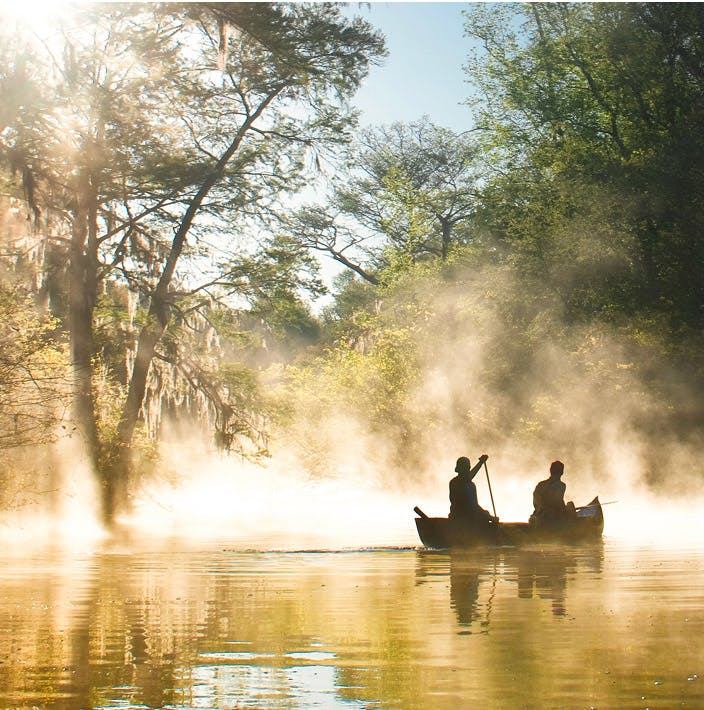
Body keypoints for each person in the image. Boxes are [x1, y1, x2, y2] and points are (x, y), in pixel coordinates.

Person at [449, 454, 498, 525]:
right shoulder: (457, 483)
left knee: (485, 514)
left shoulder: (456, 482)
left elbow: (475, 506)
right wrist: (489, 517)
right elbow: (473, 507)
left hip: (459, 516)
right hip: (463, 517)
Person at [529, 460, 577, 527]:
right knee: (570, 505)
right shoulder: (561, 485)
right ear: (562, 472)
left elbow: (536, 502)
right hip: (551, 517)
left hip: (538, 516)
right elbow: (558, 502)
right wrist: (568, 510)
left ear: (550, 470)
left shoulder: (541, 484)